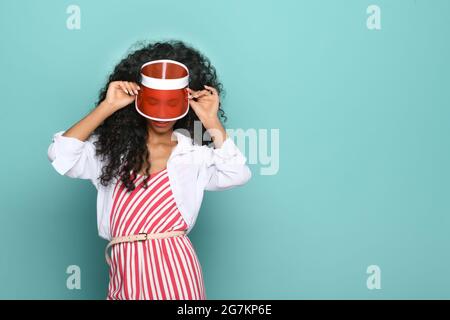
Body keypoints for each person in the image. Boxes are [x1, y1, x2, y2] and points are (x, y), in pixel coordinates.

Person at [47, 40, 252, 300]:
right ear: (139, 98)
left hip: (176, 272)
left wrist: (211, 120)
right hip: (125, 273)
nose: (162, 114)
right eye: (154, 101)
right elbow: (60, 154)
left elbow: (237, 173)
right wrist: (108, 106)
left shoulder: (193, 155)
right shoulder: (111, 152)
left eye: (171, 103)